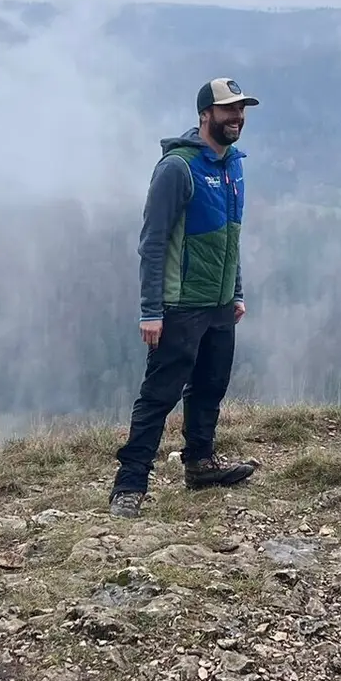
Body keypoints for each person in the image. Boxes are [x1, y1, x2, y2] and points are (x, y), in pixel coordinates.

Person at [110, 78, 261, 519]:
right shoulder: (178, 168)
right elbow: (152, 242)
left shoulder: (233, 165)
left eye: (241, 110)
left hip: (217, 304)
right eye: (228, 109)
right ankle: (130, 484)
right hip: (179, 304)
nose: (237, 117)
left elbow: (231, 239)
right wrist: (150, 311)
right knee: (159, 395)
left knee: (211, 386)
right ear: (204, 115)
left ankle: (200, 463)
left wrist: (235, 291)